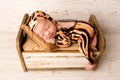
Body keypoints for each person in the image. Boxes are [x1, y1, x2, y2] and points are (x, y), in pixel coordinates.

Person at [27, 10, 98, 70]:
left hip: (83, 32)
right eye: (43, 35)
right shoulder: (57, 24)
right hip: (86, 25)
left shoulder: (59, 31)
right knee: (87, 36)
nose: (48, 33)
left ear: (51, 20)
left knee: (82, 48)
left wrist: (54, 41)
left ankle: (92, 62)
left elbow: (67, 43)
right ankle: (92, 36)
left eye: (47, 27)